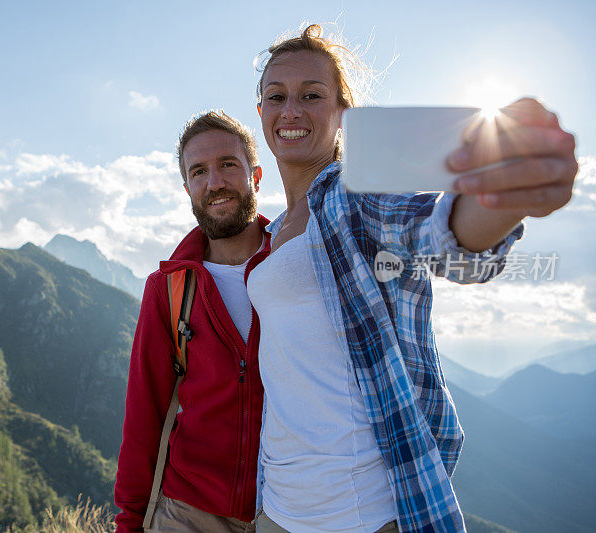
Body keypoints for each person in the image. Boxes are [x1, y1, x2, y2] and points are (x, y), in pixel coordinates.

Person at [245, 24, 578, 532]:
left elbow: (439, 233)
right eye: (276, 97)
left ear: (343, 115)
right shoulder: (271, 234)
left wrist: (504, 196)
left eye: (312, 95)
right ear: (262, 112)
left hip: (361, 515)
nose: (291, 110)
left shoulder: (355, 198)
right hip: (278, 509)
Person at [114, 111, 271, 532]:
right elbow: (143, 416)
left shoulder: (298, 267)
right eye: (198, 171)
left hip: (288, 509)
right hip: (187, 513)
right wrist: (129, 522)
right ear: (187, 188)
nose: (214, 182)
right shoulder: (168, 288)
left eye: (228, 165)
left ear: (256, 175)